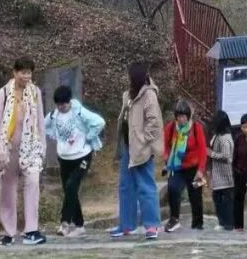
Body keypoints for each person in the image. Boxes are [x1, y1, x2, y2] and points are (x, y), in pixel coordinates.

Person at [0, 56, 47, 247]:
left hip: (30, 147)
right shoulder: (3, 93)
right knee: (7, 190)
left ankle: (31, 230)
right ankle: (9, 231)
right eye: (23, 72)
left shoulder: (35, 93)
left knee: (33, 182)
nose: (26, 76)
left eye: (29, 73)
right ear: (15, 72)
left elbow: (40, 122)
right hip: (8, 148)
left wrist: (42, 148)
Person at [110, 63, 163, 240]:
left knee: (146, 186)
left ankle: (152, 225)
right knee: (125, 186)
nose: (127, 78)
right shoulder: (128, 94)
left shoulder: (149, 95)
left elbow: (154, 122)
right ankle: (126, 225)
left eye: (129, 76)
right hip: (127, 145)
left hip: (141, 148)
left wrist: (143, 139)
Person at [44, 83, 105, 238]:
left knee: (72, 185)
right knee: (69, 190)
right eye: (58, 105)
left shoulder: (79, 112)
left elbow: (99, 122)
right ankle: (79, 225)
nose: (61, 107)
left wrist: (89, 137)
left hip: (82, 156)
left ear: (69, 101)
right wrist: (53, 135)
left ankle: (65, 222)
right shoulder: (54, 115)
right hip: (64, 158)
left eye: (64, 104)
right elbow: (43, 126)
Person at [163, 99, 207, 232]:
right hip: (177, 167)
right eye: (179, 116)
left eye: (183, 116)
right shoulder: (171, 127)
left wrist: (201, 170)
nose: (181, 119)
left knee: (196, 198)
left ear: (188, 116)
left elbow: (202, 150)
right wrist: (166, 157)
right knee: (173, 188)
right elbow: (165, 145)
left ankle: (197, 224)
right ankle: (174, 219)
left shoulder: (196, 128)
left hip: (194, 168)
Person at [207, 111, 236, 232]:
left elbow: (226, 156)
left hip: (226, 174)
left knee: (227, 201)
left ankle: (229, 223)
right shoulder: (217, 135)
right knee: (217, 198)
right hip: (217, 174)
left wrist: (211, 154)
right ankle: (222, 222)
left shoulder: (225, 138)